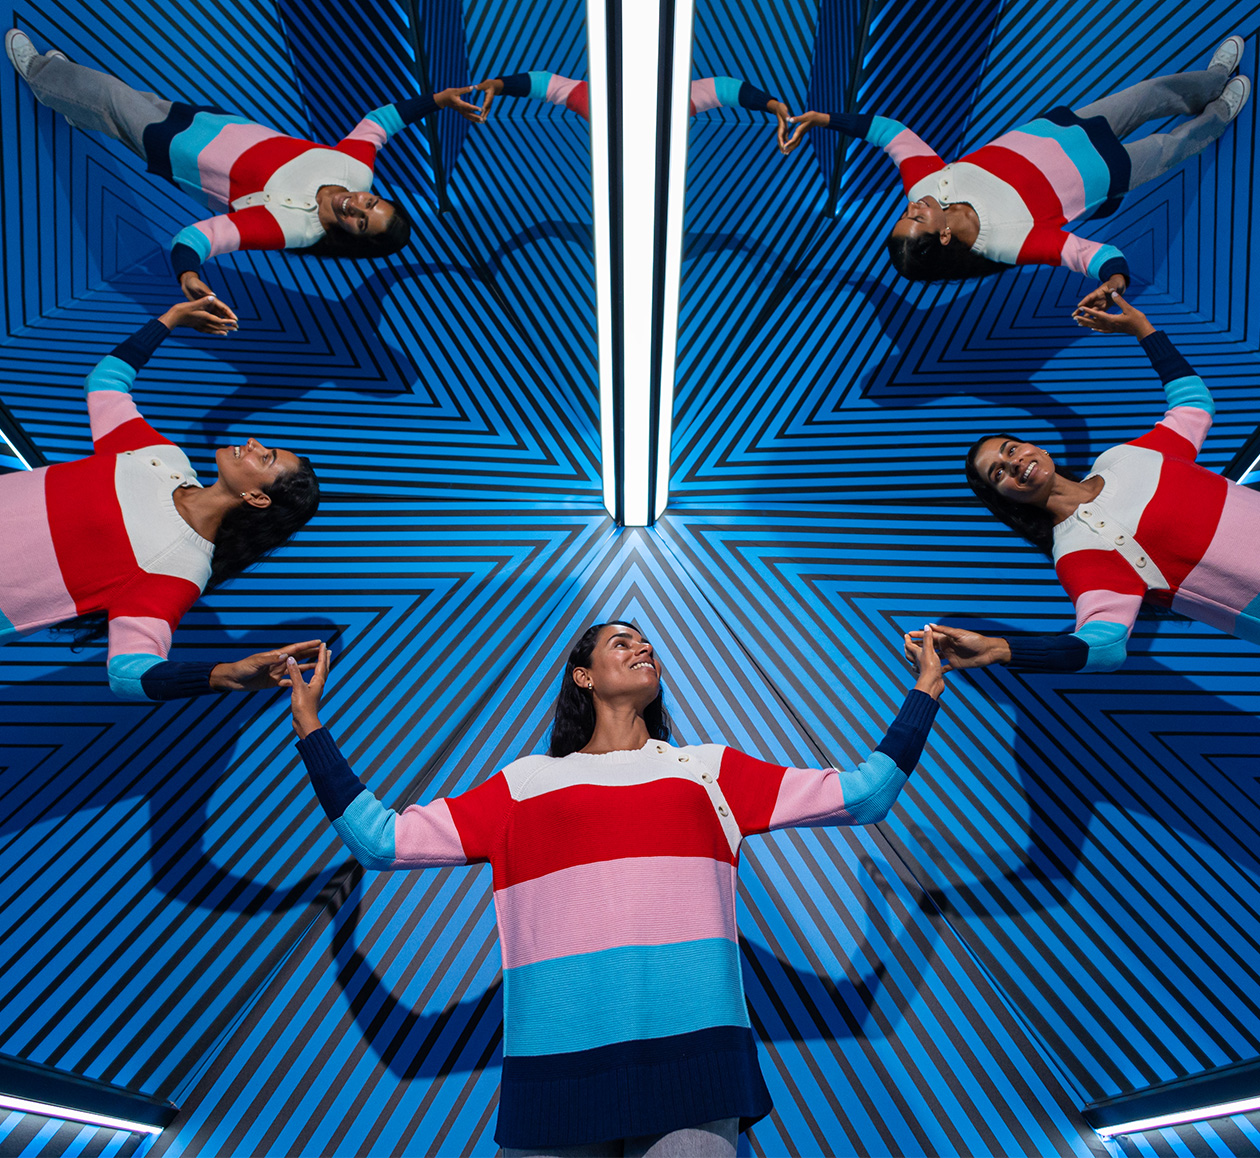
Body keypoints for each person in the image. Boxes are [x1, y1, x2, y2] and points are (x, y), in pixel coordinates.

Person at [287, 620, 948, 1155]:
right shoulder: (523, 782)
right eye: (620, 641)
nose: (643, 647)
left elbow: (868, 795)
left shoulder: (707, 769)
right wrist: (310, 727)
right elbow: (379, 839)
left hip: (695, 1058)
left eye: (647, 641)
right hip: (557, 1070)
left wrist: (925, 690)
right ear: (584, 675)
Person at [903, 292, 1260, 677]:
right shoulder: (1076, 553)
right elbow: (1103, 647)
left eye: (1011, 448)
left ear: (1036, 446)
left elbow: (1194, 404)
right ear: (1005, 498)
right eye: (999, 472)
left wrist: (1143, 329)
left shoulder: (1124, 458)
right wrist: (1000, 648)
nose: (1014, 462)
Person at [5, 28, 485, 312]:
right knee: (136, 103)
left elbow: (199, 238)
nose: (358, 205)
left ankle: (45, 77)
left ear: (352, 237)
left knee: (117, 100)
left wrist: (189, 276)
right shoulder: (356, 170)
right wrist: (439, 101)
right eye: (372, 203)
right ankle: (76, 100)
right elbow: (381, 121)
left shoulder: (289, 227)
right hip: (215, 122)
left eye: (361, 221)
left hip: (177, 150)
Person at [0, 298, 323, 701]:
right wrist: (168, 320)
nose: (255, 444)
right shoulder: (162, 458)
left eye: (267, 458)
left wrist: (221, 675)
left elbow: (128, 672)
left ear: (257, 497)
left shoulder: (181, 568)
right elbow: (105, 382)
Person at [781, 37, 1250, 301]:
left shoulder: (926, 186)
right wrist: (1115, 281)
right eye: (917, 218)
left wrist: (822, 119)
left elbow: (891, 132)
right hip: (1111, 170)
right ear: (943, 237)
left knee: (1153, 92)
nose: (915, 205)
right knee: (1177, 144)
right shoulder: (1010, 243)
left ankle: (1210, 80)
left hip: (1067, 126)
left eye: (906, 212)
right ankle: (1219, 115)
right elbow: (1090, 254)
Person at [473, 68, 793, 147]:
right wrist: (498, 85)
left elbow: (727, 89)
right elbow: (541, 83)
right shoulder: (593, 100)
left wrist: (773, 105)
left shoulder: (674, 101)